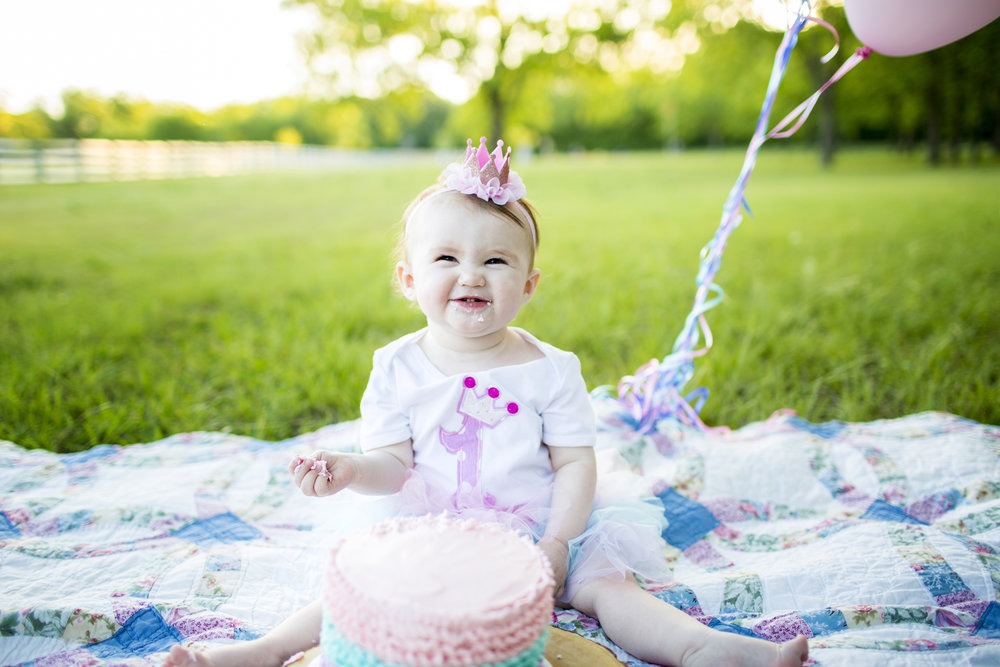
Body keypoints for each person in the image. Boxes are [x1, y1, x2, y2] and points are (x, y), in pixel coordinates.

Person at [165, 138, 808, 667]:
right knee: (374, 585)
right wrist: (351, 470)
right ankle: (267, 650)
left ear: (527, 285)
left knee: (608, 587)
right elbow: (392, 462)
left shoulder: (551, 369)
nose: (471, 275)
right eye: (447, 257)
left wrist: (558, 543)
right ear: (410, 280)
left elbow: (575, 465)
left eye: (495, 260)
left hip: (542, 522)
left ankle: (704, 649)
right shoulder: (396, 367)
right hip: (433, 524)